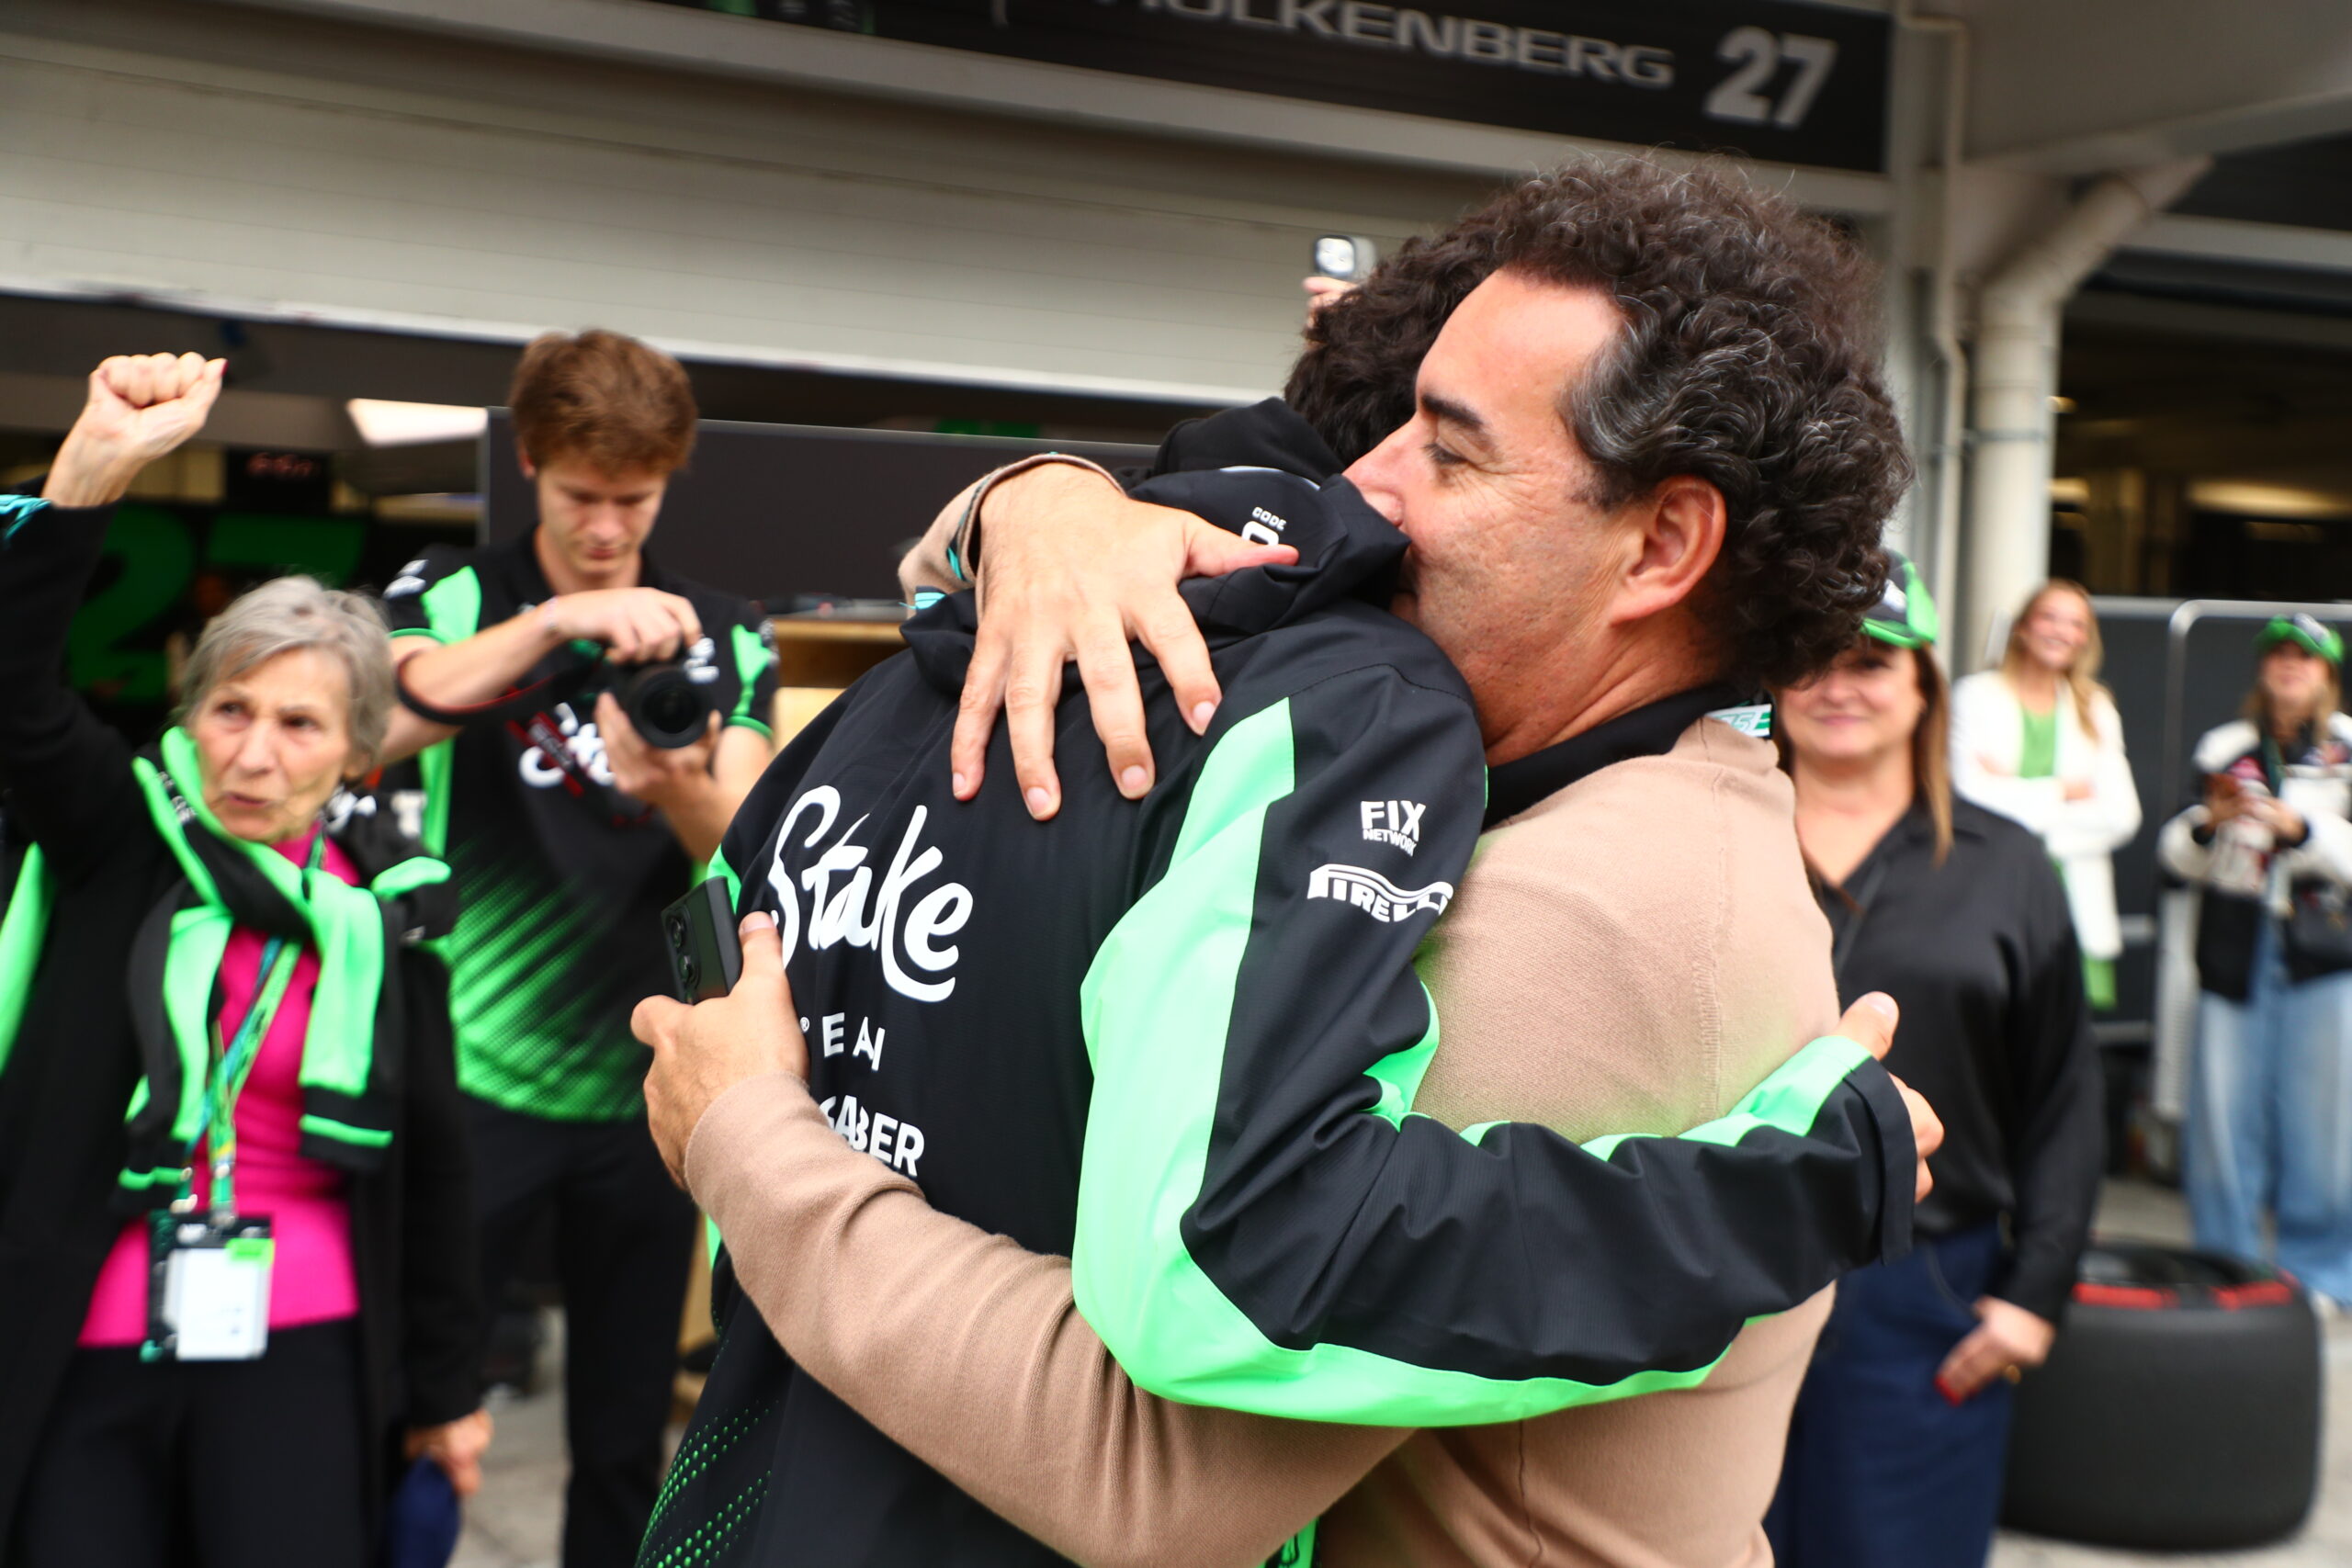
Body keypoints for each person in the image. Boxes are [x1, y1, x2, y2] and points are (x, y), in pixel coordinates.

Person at [636, 159, 1937, 1568]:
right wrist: (1043, 506)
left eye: (1449, 450)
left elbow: (1149, 1477)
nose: (1364, 487)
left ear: (1662, 543)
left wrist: (752, 1142)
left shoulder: (1587, 908)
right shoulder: (1515, 780)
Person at [0, 354, 487, 1565]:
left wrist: (448, 1388)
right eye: (232, 709)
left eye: (299, 723)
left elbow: (436, 1166)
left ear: (357, 753)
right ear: (190, 710)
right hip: (86, 1339)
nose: (255, 753)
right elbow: (12, 692)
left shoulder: (386, 915)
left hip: (304, 1344)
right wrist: (88, 475)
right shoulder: (121, 835)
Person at [373, 330, 777, 1568]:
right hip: (470, 1078)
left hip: (645, 1090)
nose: (606, 527)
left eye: (634, 501)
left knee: (621, 1433)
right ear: (531, 464)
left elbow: (749, 846)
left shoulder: (723, 632)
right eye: (581, 496)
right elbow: (376, 721)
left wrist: (675, 786)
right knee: (415, 1404)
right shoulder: (456, 589)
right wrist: (559, 622)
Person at [1765, 556, 2103, 1568]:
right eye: (1810, 658)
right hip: (1719, 1270)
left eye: (1872, 661)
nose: (1837, 685)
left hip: (1924, 1291)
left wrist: (2032, 1294)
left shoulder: (2008, 867)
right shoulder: (1709, 844)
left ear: (1924, 689)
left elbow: (2064, 1095)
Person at [2158, 614, 2352, 1306]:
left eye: (2306, 657)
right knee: (2222, 1117)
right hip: (2235, 941)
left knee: (2325, 1125)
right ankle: (2227, 1267)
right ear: (2262, 669)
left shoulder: (2347, 747)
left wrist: (2303, 831)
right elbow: (2174, 858)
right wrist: (2207, 827)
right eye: (2279, 655)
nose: (2290, 666)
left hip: (2324, 950)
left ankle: (2318, 1278)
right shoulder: (2226, 746)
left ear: (2327, 674)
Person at [1951, 581, 2141, 1010]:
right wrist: (2064, 791)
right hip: (1987, 895)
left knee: (2061, 1039)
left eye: (2076, 623)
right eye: (2049, 617)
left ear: (2086, 639)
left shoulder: (2096, 708)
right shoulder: (1974, 696)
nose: (2061, 631)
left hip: (2073, 909)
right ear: (2022, 627)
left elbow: (2121, 815)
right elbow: (1966, 797)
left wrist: (2010, 791)